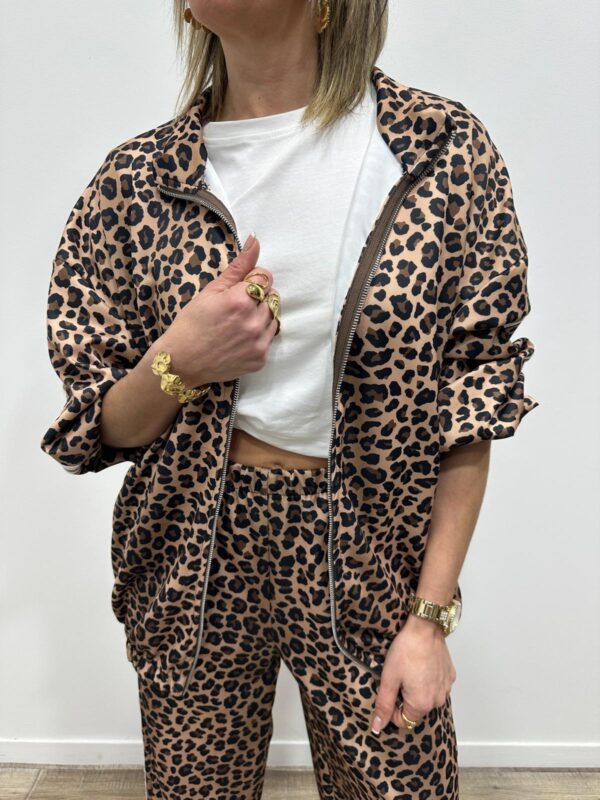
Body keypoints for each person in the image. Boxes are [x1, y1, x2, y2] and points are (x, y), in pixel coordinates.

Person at [39, 1, 539, 798]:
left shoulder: (438, 149)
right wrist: (178, 359)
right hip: (194, 547)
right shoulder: (137, 182)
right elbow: (102, 428)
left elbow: (472, 397)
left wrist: (429, 618)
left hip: (368, 540)